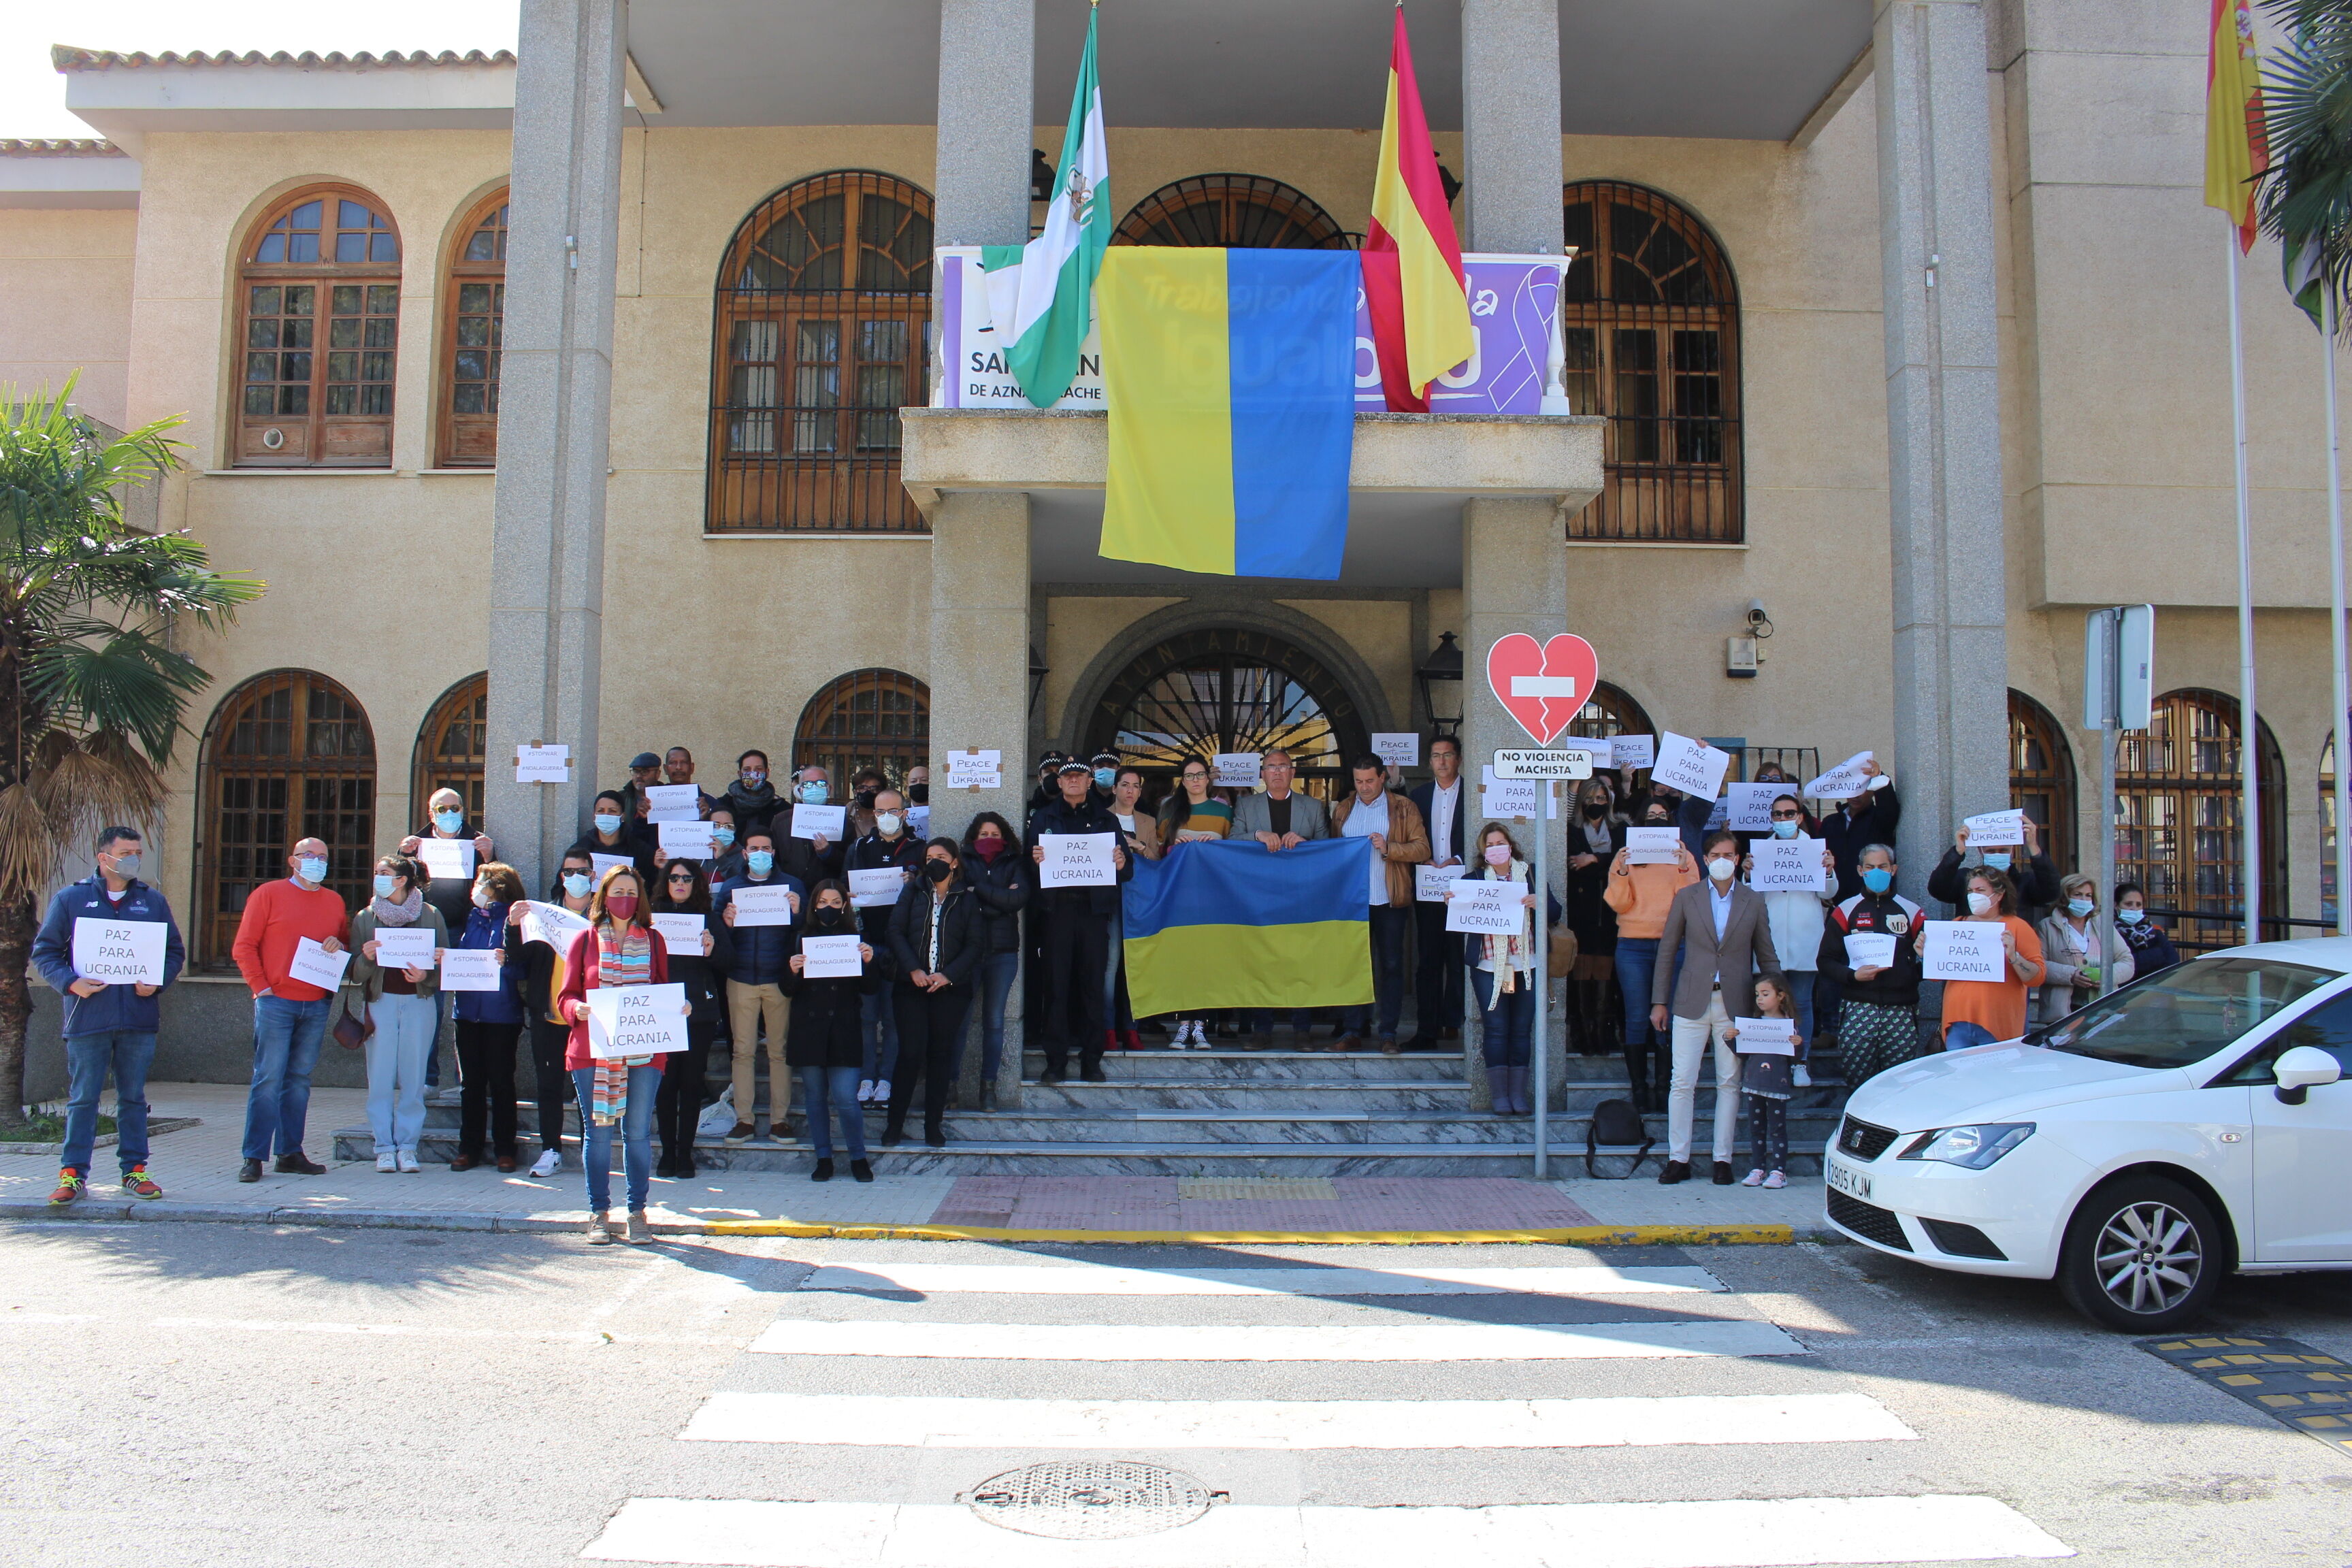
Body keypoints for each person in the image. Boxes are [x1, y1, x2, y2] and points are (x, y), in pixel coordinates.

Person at [34, 826, 184, 1207]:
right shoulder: (71, 899)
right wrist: (71, 983)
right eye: (126, 853)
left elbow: (173, 953)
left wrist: (158, 982)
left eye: (138, 853)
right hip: (88, 1018)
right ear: (104, 858)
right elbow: (45, 952)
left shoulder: (152, 901)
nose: (134, 859)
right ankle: (72, 1176)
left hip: (138, 1019)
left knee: (132, 1098)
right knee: (83, 1098)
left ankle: (135, 1171)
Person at [555, 866, 682, 1245]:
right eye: (617, 891)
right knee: (598, 1133)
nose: (624, 898)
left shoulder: (654, 940)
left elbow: (662, 990)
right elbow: (565, 995)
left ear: (640, 898)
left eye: (631, 892)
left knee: (638, 1133)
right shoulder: (585, 939)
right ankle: (599, 1213)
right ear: (604, 896)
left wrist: (681, 1007)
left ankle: (637, 1212)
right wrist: (576, 1008)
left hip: (644, 1053)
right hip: (593, 1052)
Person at [1650, 828, 1782, 1186]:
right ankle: (1678, 1158)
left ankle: (1722, 1159)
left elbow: (1766, 954)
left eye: (1729, 855)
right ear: (1705, 860)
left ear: (1737, 860)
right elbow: (1667, 951)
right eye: (1715, 856)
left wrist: (1777, 1005)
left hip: (1736, 1000)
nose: (1722, 861)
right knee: (1682, 1081)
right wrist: (1659, 1001)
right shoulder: (1687, 896)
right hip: (1691, 998)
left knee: (1729, 1082)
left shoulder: (1753, 900)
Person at [231, 836, 350, 1183]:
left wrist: (338, 944)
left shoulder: (334, 901)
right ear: (293, 860)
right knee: (268, 1078)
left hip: (316, 1002)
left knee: (298, 1081)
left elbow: (343, 944)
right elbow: (244, 946)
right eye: (309, 855)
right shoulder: (268, 894)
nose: (317, 861)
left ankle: (290, 1153)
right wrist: (262, 988)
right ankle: (254, 1157)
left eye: (323, 857)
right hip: (276, 1002)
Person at [1029, 758, 1132, 1083]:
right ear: (1059, 782)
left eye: (1080, 776)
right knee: (1056, 987)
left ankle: (1092, 1061)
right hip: (1057, 913)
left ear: (1090, 781)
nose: (1073, 780)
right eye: (1067, 776)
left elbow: (1127, 870)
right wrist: (1035, 860)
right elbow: (1027, 867)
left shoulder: (1107, 819)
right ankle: (1055, 1062)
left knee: (1092, 987)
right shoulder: (1043, 818)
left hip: (1093, 914)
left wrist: (1120, 863)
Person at [347, 852, 446, 1175]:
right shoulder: (366, 917)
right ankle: (384, 1148)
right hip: (380, 1003)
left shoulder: (431, 914)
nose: (377, 877)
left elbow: (445, 965)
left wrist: (426, 975)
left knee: (414, 1078)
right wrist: (366, 958)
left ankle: (408, 1146)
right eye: (377, 872)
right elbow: (355, 974)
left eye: (384, 872)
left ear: (402, 880)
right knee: (380, 1077)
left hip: (419, 1003)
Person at [883, 838, 984, 1147]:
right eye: (929, 857)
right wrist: (913, 969)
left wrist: (948, 975)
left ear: (954, 862)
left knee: (941, 1055)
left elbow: (976, 944)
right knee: (910, 1053)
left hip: (951, 989)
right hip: (910, 986)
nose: (934, 862)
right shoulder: (912, 892)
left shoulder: (967, 899)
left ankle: (933, 1125)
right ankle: (894, 1125)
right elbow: (895, 931)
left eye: (941, 857)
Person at [1329, 755, 1433, 1054]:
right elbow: (1334, 850)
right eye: (1358, 781)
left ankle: (1388, 1033)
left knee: (1391, 966)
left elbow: (1422, 848)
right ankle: (1352, 1030)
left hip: (1389, 899)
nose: (1364, 787)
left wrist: (1389, 848)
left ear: (1383, 778)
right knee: (1353, 965)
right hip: (1352, 901)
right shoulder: (1343, 809)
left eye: (1370, 781)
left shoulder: (1403, 807)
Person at [1601, 800, 1699, 1115]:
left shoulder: (1684, 855)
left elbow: (1691, 902)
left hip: (1674, 944)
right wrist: (1621, 871)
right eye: (1651, 816)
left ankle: (1663, 1088)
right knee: (1636, 1016)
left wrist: (1682, 868)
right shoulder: (1626, 856)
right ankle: (1639, 1090)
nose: (1657, 820)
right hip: (1633, 945)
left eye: (1662, 816)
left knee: (1667, 1016)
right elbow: (1619, 904)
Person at [504, 851, 598, 1179]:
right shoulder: (545, 915)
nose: (575, 877)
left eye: (582, 871)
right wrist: (513, 927)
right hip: (549, 1014)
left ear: (593, 875)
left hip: (589, 1017)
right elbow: (518, 958)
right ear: (561, 877)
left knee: (590, 1089)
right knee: (549, 1085)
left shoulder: (602, 916)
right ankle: (551, 1150)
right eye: (569, 872)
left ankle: (592, 1151)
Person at [781, 879, 877, 1182]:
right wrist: (792, 970)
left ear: (845, 906)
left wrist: (868, 963)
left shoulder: (856, 939)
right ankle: (823, 1157)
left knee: (846, 1097)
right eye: (823, 902)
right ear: (813, 905)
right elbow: (787, 989)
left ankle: (858, 1157)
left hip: (844, 1029)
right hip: (809, 1029)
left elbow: (869, 989)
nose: (829, 908)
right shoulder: (800, 937)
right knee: (815, 1098)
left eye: (836, 903)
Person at [1450, 823, 1548, 1115]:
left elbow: (1555, 912)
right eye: (1490, 845)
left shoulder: (1531, 875)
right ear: (1483, 851)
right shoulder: (1473, 880)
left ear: (1511, 846)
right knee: (1495, 1029)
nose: (1496, 849)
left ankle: (1518, 1095)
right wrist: (1452, 902)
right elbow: (1461, 915)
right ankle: (1500, 1096)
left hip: (1527, 965)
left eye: (1500, 843)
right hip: (1488, 966)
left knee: (1521, 1030)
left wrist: (1539, 902)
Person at [713, 827, 803, 1143]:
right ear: (744, 854)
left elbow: (805, 929)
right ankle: (744, 1120)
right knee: (742, 1052)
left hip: (778, 979)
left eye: (766, 848)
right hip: (741, 978)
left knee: (779, 1051)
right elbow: (715, 934)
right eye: (754, 849)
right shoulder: (731, 888)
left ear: (774, 853)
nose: (760, 854)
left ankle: (780, 1121)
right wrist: (726, 923)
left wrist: (797, 913)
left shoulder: (792, 886)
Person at [1816, 843, 1927, 1090]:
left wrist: (1914, 971)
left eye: (1882, 867)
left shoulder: (1913, 912)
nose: (1876, 872)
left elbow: (1935, 961)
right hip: (1859, 1007)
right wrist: (1853, 976)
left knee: (1900, 1085)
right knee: (1858, 1083)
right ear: (1860, 870)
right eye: (1870, 867)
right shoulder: (1845, 910)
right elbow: (1825, 961)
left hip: (1901, 1010)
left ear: (1893, 869)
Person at [653, 858, 732, 1176]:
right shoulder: (650, 918)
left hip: (699, 1012)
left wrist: (712, 950)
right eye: (674, 878)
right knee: (665, 1085)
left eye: (687, 878)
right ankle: (667, 1153)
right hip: (661, 1011)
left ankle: (685, 1154)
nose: (680, 884)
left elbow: (729, 962)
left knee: (690, 1083)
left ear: (696, 884)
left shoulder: (708, 918)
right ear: (666, 882)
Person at [448, 861, 529, 1171]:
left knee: (501, 1082)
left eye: (481, 883)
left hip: (502, 1014)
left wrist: (508, 961)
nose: (476, 889)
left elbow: (525, 968)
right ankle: (469, 1148)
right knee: (471, 1084)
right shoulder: (471, 917)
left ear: (497, 888)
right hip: (467, 1012)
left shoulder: (517, 921)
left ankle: (505, 1149)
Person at [847, 788, 924, 1098]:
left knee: (893, 1018)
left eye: (893, 811)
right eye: (880, 812)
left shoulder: (919, 849)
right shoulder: (859, 847)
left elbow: (930, 891)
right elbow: (843, 887)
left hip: (901, 946)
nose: (886, 817)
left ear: (904, 814)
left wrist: (915, 883)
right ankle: (866, 1077)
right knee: (866, 1017)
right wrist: (849, 895)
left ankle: (887, 1079)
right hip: (866, 943)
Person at [1742, 794, 1835, 1043]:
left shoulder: (1815, 850)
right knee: (1770, 1002)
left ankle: (1800, 1059)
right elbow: (1751, 898)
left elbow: (1827, 894)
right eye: (1777, 814)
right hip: (1770, 938)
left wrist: (1828, 872)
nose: (1783, 818)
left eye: (1789, 814)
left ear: (1800, 817)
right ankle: (1776, 1057)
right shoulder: (1761, 852)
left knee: (1802, 1002)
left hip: (1805, 937)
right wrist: (1749, 876)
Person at [1154, 756, 1230, 1049]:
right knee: (1183, 962)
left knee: (1206, 962)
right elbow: (1158, 853)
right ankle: (1183, 1024)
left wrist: (1216, 848)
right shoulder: (1168, 810)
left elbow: (1235, 852)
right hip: (1179, 897)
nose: (1195, 780)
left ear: (1208, 778)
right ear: (1182, 780)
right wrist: (1174, 847)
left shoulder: (1223, 811)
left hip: (1212, 897)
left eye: (1200, 775)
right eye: (1189, 775)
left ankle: (1201, 1026)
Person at [1404, 734, 1468, 1051]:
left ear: (1459, 759)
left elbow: (1484, 836)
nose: (1442, 762)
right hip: (1428, 888)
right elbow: (1410, 836)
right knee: (1428, 961)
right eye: (1436, 756)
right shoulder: (1419, 796)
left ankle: (1452, 1021)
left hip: (1462, 888)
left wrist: (1460, 858)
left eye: (1447, 755)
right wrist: (1422, 857)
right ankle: (1426, 1029)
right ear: (1429, 762)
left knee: (1457, 960)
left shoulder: (1474, 794)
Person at [1940, 866, 2046, 1051]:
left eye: (1980, 890)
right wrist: (1926, 953)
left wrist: (2014, 956)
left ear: (1999, 894)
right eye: (1970, 891)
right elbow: (1938, 973)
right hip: (1957, 1021)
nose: (1974, 896)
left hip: (1998, 1024)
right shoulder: (1957, 924)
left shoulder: (2018, 927)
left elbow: (2037, 978)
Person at [1559, 776, 1624, 1057]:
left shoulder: (1621, 828)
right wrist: (1605, 864)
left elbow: (1626, 862)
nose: (1595, 803)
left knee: (1606, 973)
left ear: (1608, 800)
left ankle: (1603, 1031)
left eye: (1600, 798)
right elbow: (1574, 864)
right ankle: (1583, 1032)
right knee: (1582, 972)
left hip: (1612, 913)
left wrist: (1595, 859)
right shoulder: (1572, 830)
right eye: (1589, 799)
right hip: (1582, 911)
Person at [1726, 974, 1808, 1189]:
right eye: (1757, 995)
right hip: (1753, 1083)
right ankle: (1758, 1169)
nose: (1760, 999)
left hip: (1776, 1084)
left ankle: (1779, 1171)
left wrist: (1798, 1046)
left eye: (1765, 994)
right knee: (1756, 1129)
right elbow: (1743, 1054)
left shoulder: (1789, 1026)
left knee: (1777, 1129)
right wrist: (1730, 1039)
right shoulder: (1753, 1024)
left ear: (1781, 996)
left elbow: (1794, 1058)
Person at [1105, 766, 1162, 1051]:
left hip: (1140, 898)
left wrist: (1139, 846)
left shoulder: (1148, 821)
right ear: (1114, 788)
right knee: (1111, 963)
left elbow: (1157, 859)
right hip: (1110, 898)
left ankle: (1131, 1027)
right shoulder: (1101, 817)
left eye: (1135, 786)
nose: (1130, 790)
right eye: (1125, 784)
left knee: (1135, 964)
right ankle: (1107, 1028)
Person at [2036, 872, 2134, 1025]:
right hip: (2063, 1013)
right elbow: (2038, 966)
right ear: (2065, 898)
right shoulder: (2047, 926)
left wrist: (2107, 976)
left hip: (2102, 1010)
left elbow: (2127, 961)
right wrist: (2071, 975)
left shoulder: (2103, 924)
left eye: (2088, 896)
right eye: (2078, 895)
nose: (2084, 900)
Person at [1927, 819, 2061, 918]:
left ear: (2013, 851)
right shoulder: (1965, 879)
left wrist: (2034, 848)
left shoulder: (2026, 882)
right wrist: (1957, 852)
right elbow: (1937, 889)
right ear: (1981, 851)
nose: (1997, 854)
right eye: (1991, 851)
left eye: (2003, 851)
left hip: (2014, 944)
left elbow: (2051, 892)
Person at [1818, 758, 1901, 900]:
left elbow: (1889, 808)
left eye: (1861, 789)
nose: (1856, 795)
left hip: (1871, 899)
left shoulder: (1879, 819)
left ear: (1872, 791)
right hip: (1836, 899)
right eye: (1852, 788)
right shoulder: (1830, 822)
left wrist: (1879, 778)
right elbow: (1819, 857)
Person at [1232, 749, 1331, 850]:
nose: (1277, 772)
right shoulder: (1246, 806)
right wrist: (1257, 835)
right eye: (1271, 767)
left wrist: (1304, 842)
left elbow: (1325, 847)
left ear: (1292, 773)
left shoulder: (1314, 807)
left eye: (1283, 767)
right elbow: (1232, 840)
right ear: (1263, 775)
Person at [568, 789, 655, 885]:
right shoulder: (581, 849)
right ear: (594, 816)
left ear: (622, 816)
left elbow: (653, 884)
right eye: (601, 811)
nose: (606, 815)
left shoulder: (640, 850)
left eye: (612, 811)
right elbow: (561, 887)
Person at [778, 766, 844, 886]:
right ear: (800, 791)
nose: (814, 788)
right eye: (807, 785)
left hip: (828, 892)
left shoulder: (843, 821)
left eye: (820, 784)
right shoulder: (782, 821)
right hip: (791, 891)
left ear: (829, 789)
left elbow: (847, 863)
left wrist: (828, 853)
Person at [2115, 882, 2182, 977]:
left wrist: (2140, 960)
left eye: (2139, 905)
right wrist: (2157, 954)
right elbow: (2124, 966)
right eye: (2128, 904)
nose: (2134, 909)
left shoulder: (2154, 933)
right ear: (2116, 906)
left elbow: (2174, 961)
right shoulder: (2111, 934)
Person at [726, 750, 783, 838]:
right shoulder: (726, 804)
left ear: (767, 772)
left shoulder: (780, 807)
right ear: (740, 774)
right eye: (747, 769)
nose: (753, 774)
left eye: (758, 769)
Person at [662, 745, 722, 816]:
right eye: (673, 763)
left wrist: (708, 816)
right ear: (665, 769)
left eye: (684, 762)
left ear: (692, 768)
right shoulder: (655, 803)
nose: (678, 767)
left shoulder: (711, 803)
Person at [615, 751, 665, 821]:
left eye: (644, 772)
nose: (638, 776)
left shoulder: (668, 798)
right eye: (635, 771)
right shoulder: (620, 798)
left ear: (657, 774)